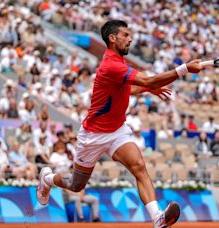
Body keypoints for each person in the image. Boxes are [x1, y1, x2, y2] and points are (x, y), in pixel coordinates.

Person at [36, 19, 203, 227]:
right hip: (93, 135)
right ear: (112, 38)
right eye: (125, 35)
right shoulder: (111, 66)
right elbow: (149, 80)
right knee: (76, 184)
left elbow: (129, 89)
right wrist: (184, 69)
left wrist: (148, 89)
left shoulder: (120, 64)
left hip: (117, 131)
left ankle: (157, 218)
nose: (130, 38)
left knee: (139, 167)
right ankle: (48, 179)